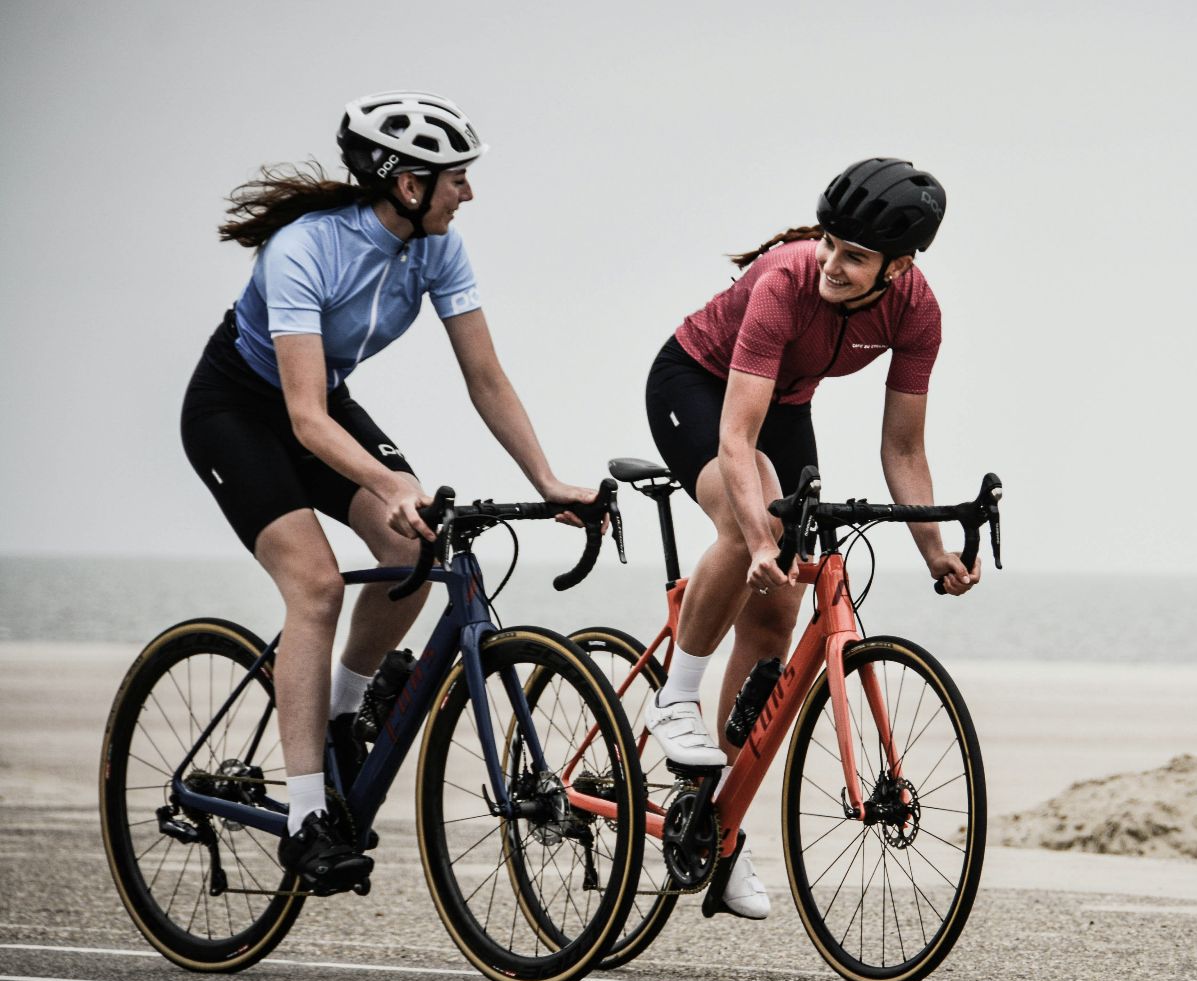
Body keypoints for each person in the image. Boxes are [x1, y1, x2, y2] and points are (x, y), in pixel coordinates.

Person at [181, 91, 598, 893]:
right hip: (238, 411)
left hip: (320, 405)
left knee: (414, 543)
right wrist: (387, 477)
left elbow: (485, 376)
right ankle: (307, 818)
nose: (468, 193)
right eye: (456, 180)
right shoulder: (303, 250)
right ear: (409, 185)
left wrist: (546, 481)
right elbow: (303, 419)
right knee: (316, 585)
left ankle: (342, 713)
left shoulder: (439, 249)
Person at [643, 158, 980, 919]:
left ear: (899, 268)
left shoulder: (917, 312)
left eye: (854, 256)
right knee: (746, 520)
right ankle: (677, 697)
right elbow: (736, 438)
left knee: (780, 609)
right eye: (829, 242)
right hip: (696, 385)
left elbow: (904, 451)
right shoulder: (785, 281)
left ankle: (718, 829)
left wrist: (934, 551)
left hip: (785, 403)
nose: (831, 263)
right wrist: (759, 535)